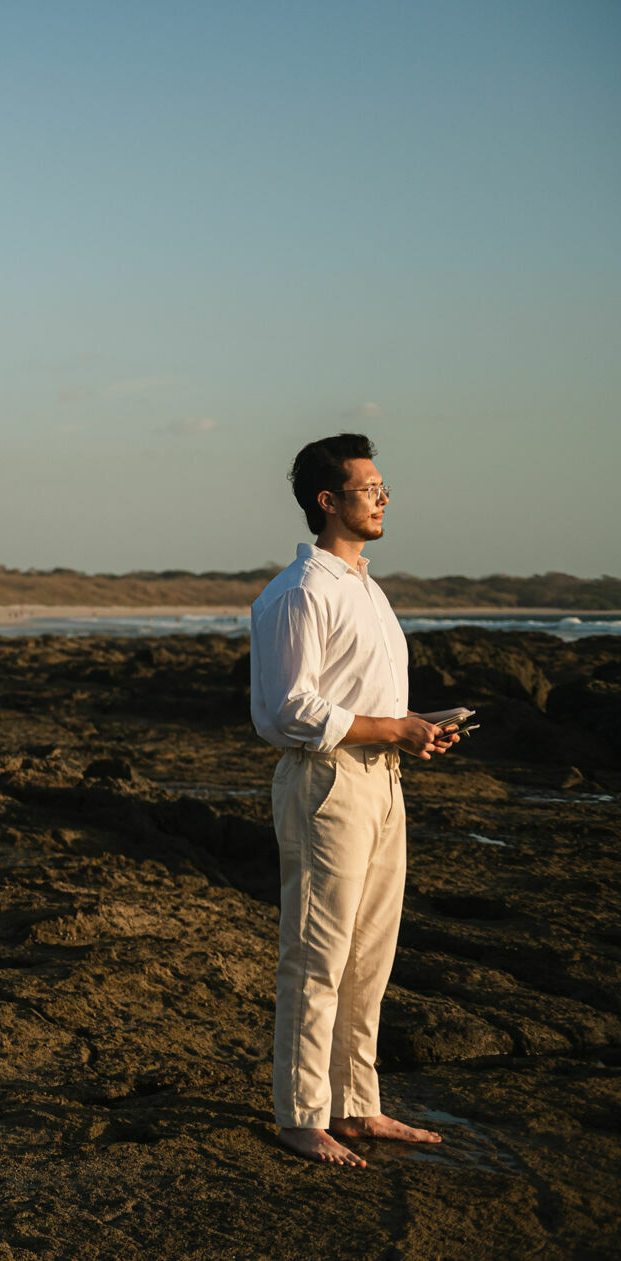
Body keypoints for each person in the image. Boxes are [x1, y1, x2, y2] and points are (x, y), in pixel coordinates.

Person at [249, 434, 457, 1167]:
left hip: (382, 780)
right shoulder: (300, 590)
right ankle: (301, 1115)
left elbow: (358, 698)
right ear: (327, 501)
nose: (383, 498)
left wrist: (413, 728)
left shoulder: (366, 588)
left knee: (369, 956)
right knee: (317, 955)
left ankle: (356, 1105)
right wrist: (391, 727)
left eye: (383, 487)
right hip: (326, 781)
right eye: (369, 488)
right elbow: (289, 708)